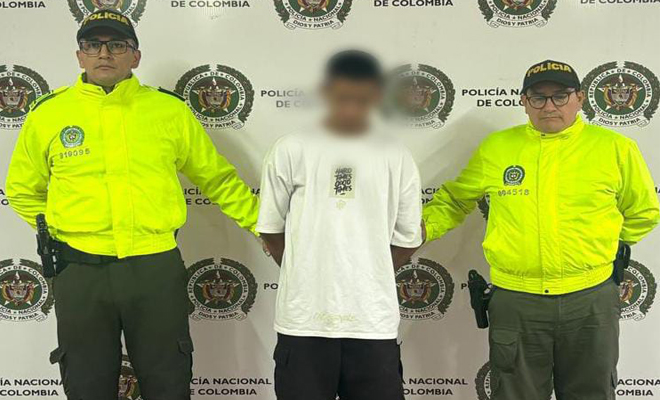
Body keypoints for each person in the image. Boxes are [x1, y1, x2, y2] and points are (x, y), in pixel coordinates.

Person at [5, 9, 259, 400]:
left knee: (168, 381)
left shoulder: (169, 112)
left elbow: (217, 179)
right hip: (79, 271)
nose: (104, 53)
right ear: (80, 56)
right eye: (93, 44)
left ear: (135, 56)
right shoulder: (49, 114)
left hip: (154, 268)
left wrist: (263, 225)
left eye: (117, 45)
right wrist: (57, 229)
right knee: (86, 384)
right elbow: (22, 189)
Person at [422, 60, 660, 400]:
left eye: (560, 96)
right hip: (516, 301)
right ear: (524, 102)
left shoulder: (616, 148)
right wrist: (420, 229)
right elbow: (455, 200)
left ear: (580, 98)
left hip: (590, 299)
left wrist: (601, 247)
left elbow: (644, 211)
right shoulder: (497, 148)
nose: (549, 106)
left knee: (592, 393)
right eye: (538, 97)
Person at [258, 50, 423, 400]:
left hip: (371, 323)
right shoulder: (291, 149)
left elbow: (408, 238)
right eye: (342, 98)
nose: (350, 108)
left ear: (376, 97)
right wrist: (303, 271)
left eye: (360, 100)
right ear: (325, 92)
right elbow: (270, 229)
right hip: (303, 322)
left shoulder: (395, 155)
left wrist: (370, 272)